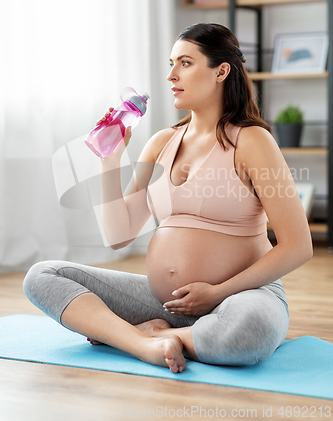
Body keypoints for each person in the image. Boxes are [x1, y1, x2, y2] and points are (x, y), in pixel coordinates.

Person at [23, 23, 313, 373]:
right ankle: (147, 342)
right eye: (171, 63)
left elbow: (298, 245)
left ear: (221, 71)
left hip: (241, 299)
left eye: (185, 63)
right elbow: (118, 236)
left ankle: (143, 336)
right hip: (167, 303)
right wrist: (110, 160)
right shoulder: (161, 143)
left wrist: (217, 292)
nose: (171, 75)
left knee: (247, 332)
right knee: (43, 275)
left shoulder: (252, 141)